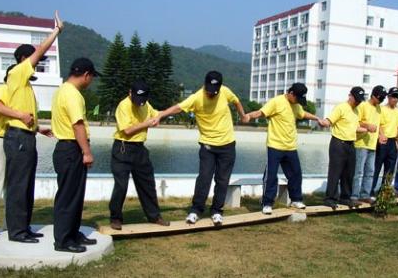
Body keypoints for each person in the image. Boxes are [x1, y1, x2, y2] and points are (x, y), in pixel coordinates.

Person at [157, 71, 246, 225]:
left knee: (222, 180)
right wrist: (160, 115)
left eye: (214, 92)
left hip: (227, 145)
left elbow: (236, 100)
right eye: (209, 91)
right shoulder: (196, 97)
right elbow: (177, 108)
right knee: (204, 178)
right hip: (207, 146)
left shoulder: (225, 91)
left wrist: (243, 115)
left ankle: (217, 211)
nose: (211, 94)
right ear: (205, 86)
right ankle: (196, 210)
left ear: (219, 87)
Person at [4, 11, 63, 243]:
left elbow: (24, 114)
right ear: (23, 60)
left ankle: (24, 227)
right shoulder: (17, 73)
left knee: (26, 183)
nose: (37, 64)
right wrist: (56, 31)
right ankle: (17, 232)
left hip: (27, 136)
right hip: (18, 138)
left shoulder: (25, 85)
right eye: (33, 60)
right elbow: (40, 51)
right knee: (18, 185)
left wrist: (39, 128)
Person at [243, 83, 322, 214]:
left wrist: (317, 118)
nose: (298, 102)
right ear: (291, 93)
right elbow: (261, 112)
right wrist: (249, 116)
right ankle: (267, 203)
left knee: (296, 174)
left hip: (290, 146)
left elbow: (303, 114)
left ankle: (296, 200)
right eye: (297, 98)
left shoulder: (296, 104)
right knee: (271, 175)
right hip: (275, 145)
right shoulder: (276, 102)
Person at [0, 65, 34, 241]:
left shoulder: (13, 94)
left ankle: (13, 225)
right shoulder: (3, 89)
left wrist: (38, 129)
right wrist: (21, 115)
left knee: (13, 186)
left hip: (10, 141)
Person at [109, 81, 170, 230]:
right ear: (130, 93)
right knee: (121, 185)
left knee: (147, 184)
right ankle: (115, 218)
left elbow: (156, 114)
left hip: (139, 149)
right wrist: (148, 123)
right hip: (123, 148)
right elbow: (127, 131)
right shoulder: (123, 105)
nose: (140, 103)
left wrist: (161, 116)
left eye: (142, 100)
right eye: (137, 100)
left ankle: (154, 216)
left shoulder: (146, 104)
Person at [51, 57, 98, 253]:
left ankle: (72, 232)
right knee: (68, 196)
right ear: (86, 75)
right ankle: (63, 240)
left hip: (67, 148)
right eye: (92, 77)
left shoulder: (63, 90)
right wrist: (86, 152)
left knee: (75, 195)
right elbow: (77, 124)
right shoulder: (72, 94)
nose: (91, 81)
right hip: (71, 149)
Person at [319, 87, 368, 209]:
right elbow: (329, 121)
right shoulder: (340, 107)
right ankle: (330, 198)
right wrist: (323, 122)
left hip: (351, 144)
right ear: (350, 96)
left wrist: (367, 130)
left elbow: (354, 127)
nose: (358, 102)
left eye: (360, 100)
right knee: (335, 172)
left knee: (349, 173)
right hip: (338, 143)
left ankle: (345, 198)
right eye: (356, 99)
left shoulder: (356, 111)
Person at [352, 85, 387, 203]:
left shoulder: (379, 108)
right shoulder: (362, 106)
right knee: (358, 172)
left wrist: (381, 135)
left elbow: (380, 124)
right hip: (361, 143)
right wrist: (367, 126)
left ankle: (365, 195)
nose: (381, 100)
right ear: (373, 95)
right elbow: (356, 122)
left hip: (372, 145)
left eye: (383, 98)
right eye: (380, 98)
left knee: (370, 171)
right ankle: (354, 196)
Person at [371, 87, 398, 196]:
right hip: (382, 141)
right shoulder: (381, 109)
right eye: (393, 96)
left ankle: (384, 191)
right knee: (377, 167)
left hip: (392, 142)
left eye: (397, 97)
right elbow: (378, 124)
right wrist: (381, 135)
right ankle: (370, 190)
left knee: (390, 169)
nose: (395, 99)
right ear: (388, 97)